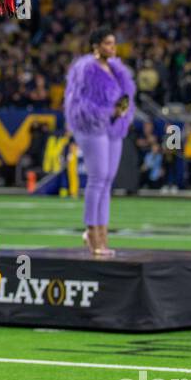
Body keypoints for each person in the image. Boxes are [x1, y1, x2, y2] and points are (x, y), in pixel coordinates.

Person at [63, 29, 135, 257]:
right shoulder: (86, 69)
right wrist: (106, 111)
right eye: (107, 43)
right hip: (92, 126)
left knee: (107, 180)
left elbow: (126, 96)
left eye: (113, 43)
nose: (111, 47)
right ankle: (92, 232)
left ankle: (103, 234)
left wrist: (122, 110)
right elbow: (79, 101)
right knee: (97, 178)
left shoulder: (116, 70)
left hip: (113, 126)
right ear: (96, 45)